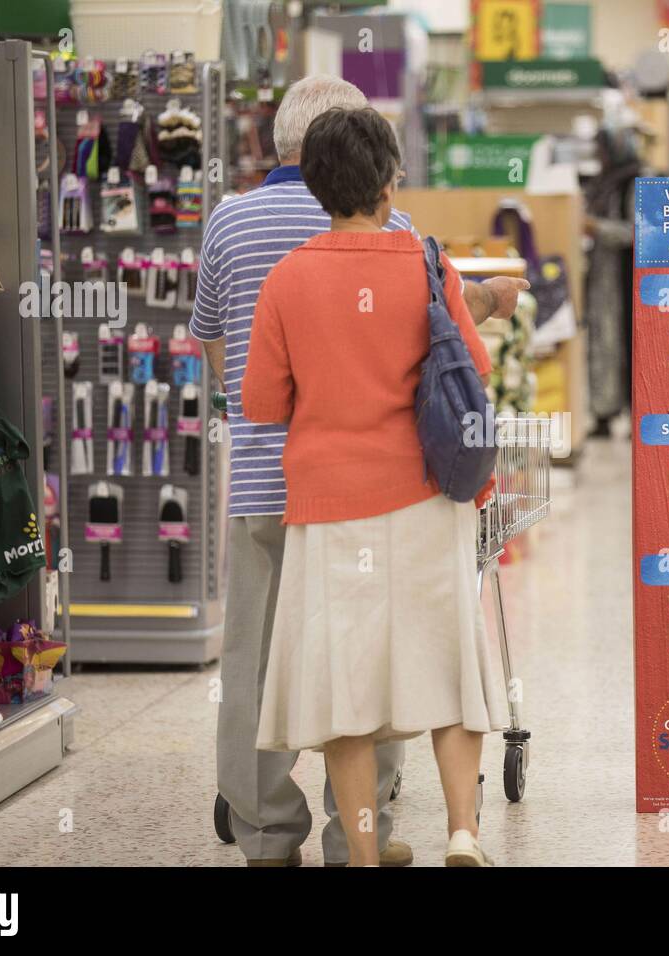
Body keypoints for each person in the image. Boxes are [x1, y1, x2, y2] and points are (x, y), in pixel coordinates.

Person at [191, 76, 525, 867]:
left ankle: (267, 832)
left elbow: (221, 357)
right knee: (373, 658)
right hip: (386, 490)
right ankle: (360, 836)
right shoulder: (401, 232)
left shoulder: (229, 224)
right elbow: (434, 343)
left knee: (254, 662)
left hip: (274, 485)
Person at [584, 127, 643, 436]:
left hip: (629, 281)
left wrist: (597, 228)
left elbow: (639, 232)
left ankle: (638, 414)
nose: (599, 157)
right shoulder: (602, 185)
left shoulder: (635, 185)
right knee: (605, 345)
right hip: (605, 281)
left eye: (603, 151)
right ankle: (604, 415)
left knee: (633, 346)